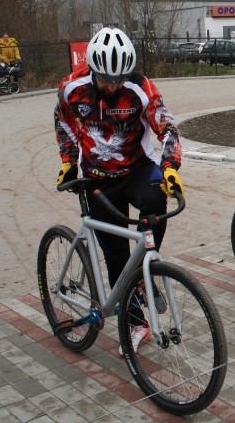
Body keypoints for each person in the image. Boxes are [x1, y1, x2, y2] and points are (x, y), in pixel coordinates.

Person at [54, 27, 183, 355]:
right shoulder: (73, 88)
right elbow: (62, 119)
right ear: (93, 70)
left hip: (138, 169)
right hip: (97, 178)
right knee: (116, 256)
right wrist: (69, 160)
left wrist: (170, 167)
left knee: (157, 201)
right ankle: (136, 323)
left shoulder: (141, 89)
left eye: (119, 79)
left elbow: (168, 128)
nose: (113, 86)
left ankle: (145, 271)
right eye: (106, 79)